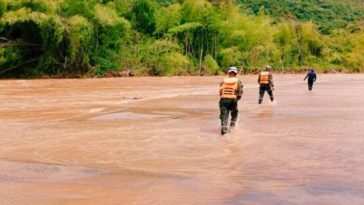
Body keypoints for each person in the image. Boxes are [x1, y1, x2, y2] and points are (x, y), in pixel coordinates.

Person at [219, 67, 243, 135]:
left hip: (223, 99)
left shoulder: (223, 81)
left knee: (224, 115)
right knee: (234, 113)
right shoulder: (238, 81)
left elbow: (220, 91)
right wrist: (236, 100)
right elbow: (240, 93)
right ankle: (232, 127)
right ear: (236, 73)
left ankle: (224, 129)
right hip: (233, 100)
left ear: (229, 73)